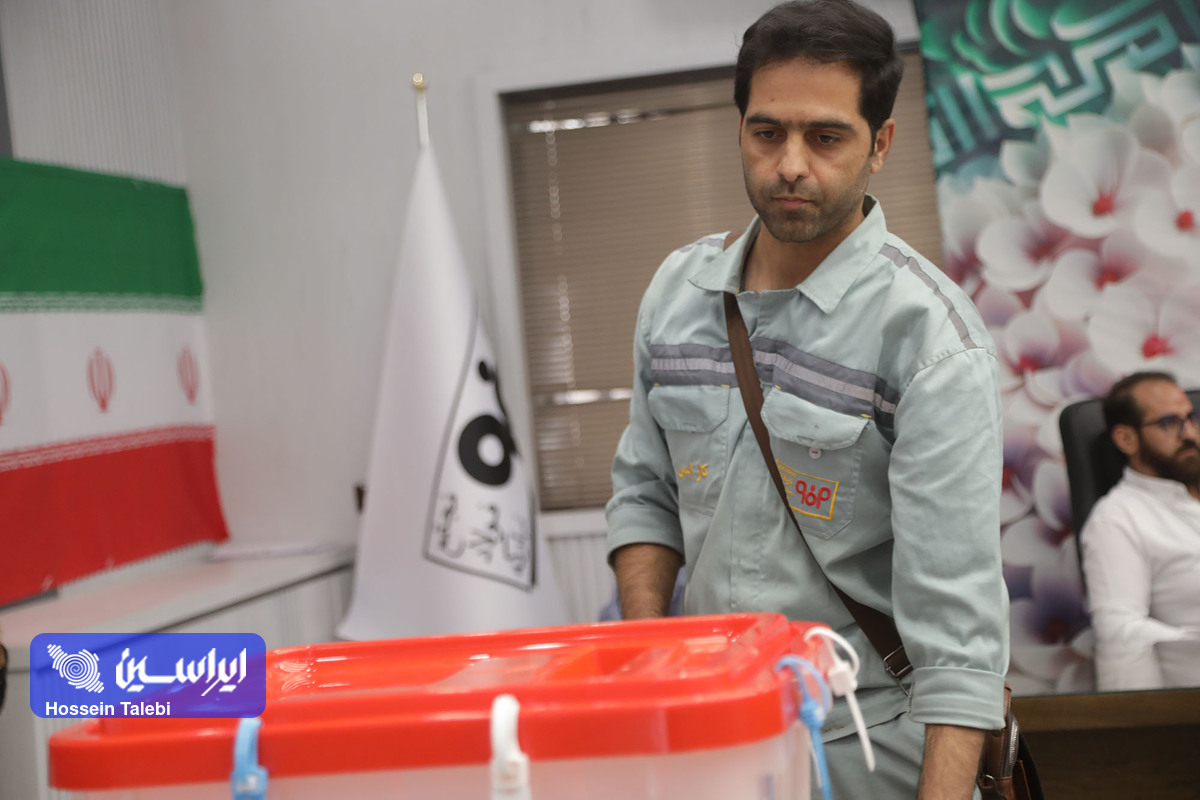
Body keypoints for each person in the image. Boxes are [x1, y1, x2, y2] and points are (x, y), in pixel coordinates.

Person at [605, 1, 1009, 797]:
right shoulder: (677, 294)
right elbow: (645, 496)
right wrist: (653, 667)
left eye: (825, 137)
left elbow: (960, 643)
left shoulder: (929, 338)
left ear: (879, 144)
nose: (790, 164)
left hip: (869, 740)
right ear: (740, 131)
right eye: (767, 133)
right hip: (709, 733)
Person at [1080, 371, 1200, 691]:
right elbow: (1120, 634)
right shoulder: (1117, 518)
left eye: (1192, 418)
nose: (1189, 433)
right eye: (1170, 423)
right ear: (1126, 439)